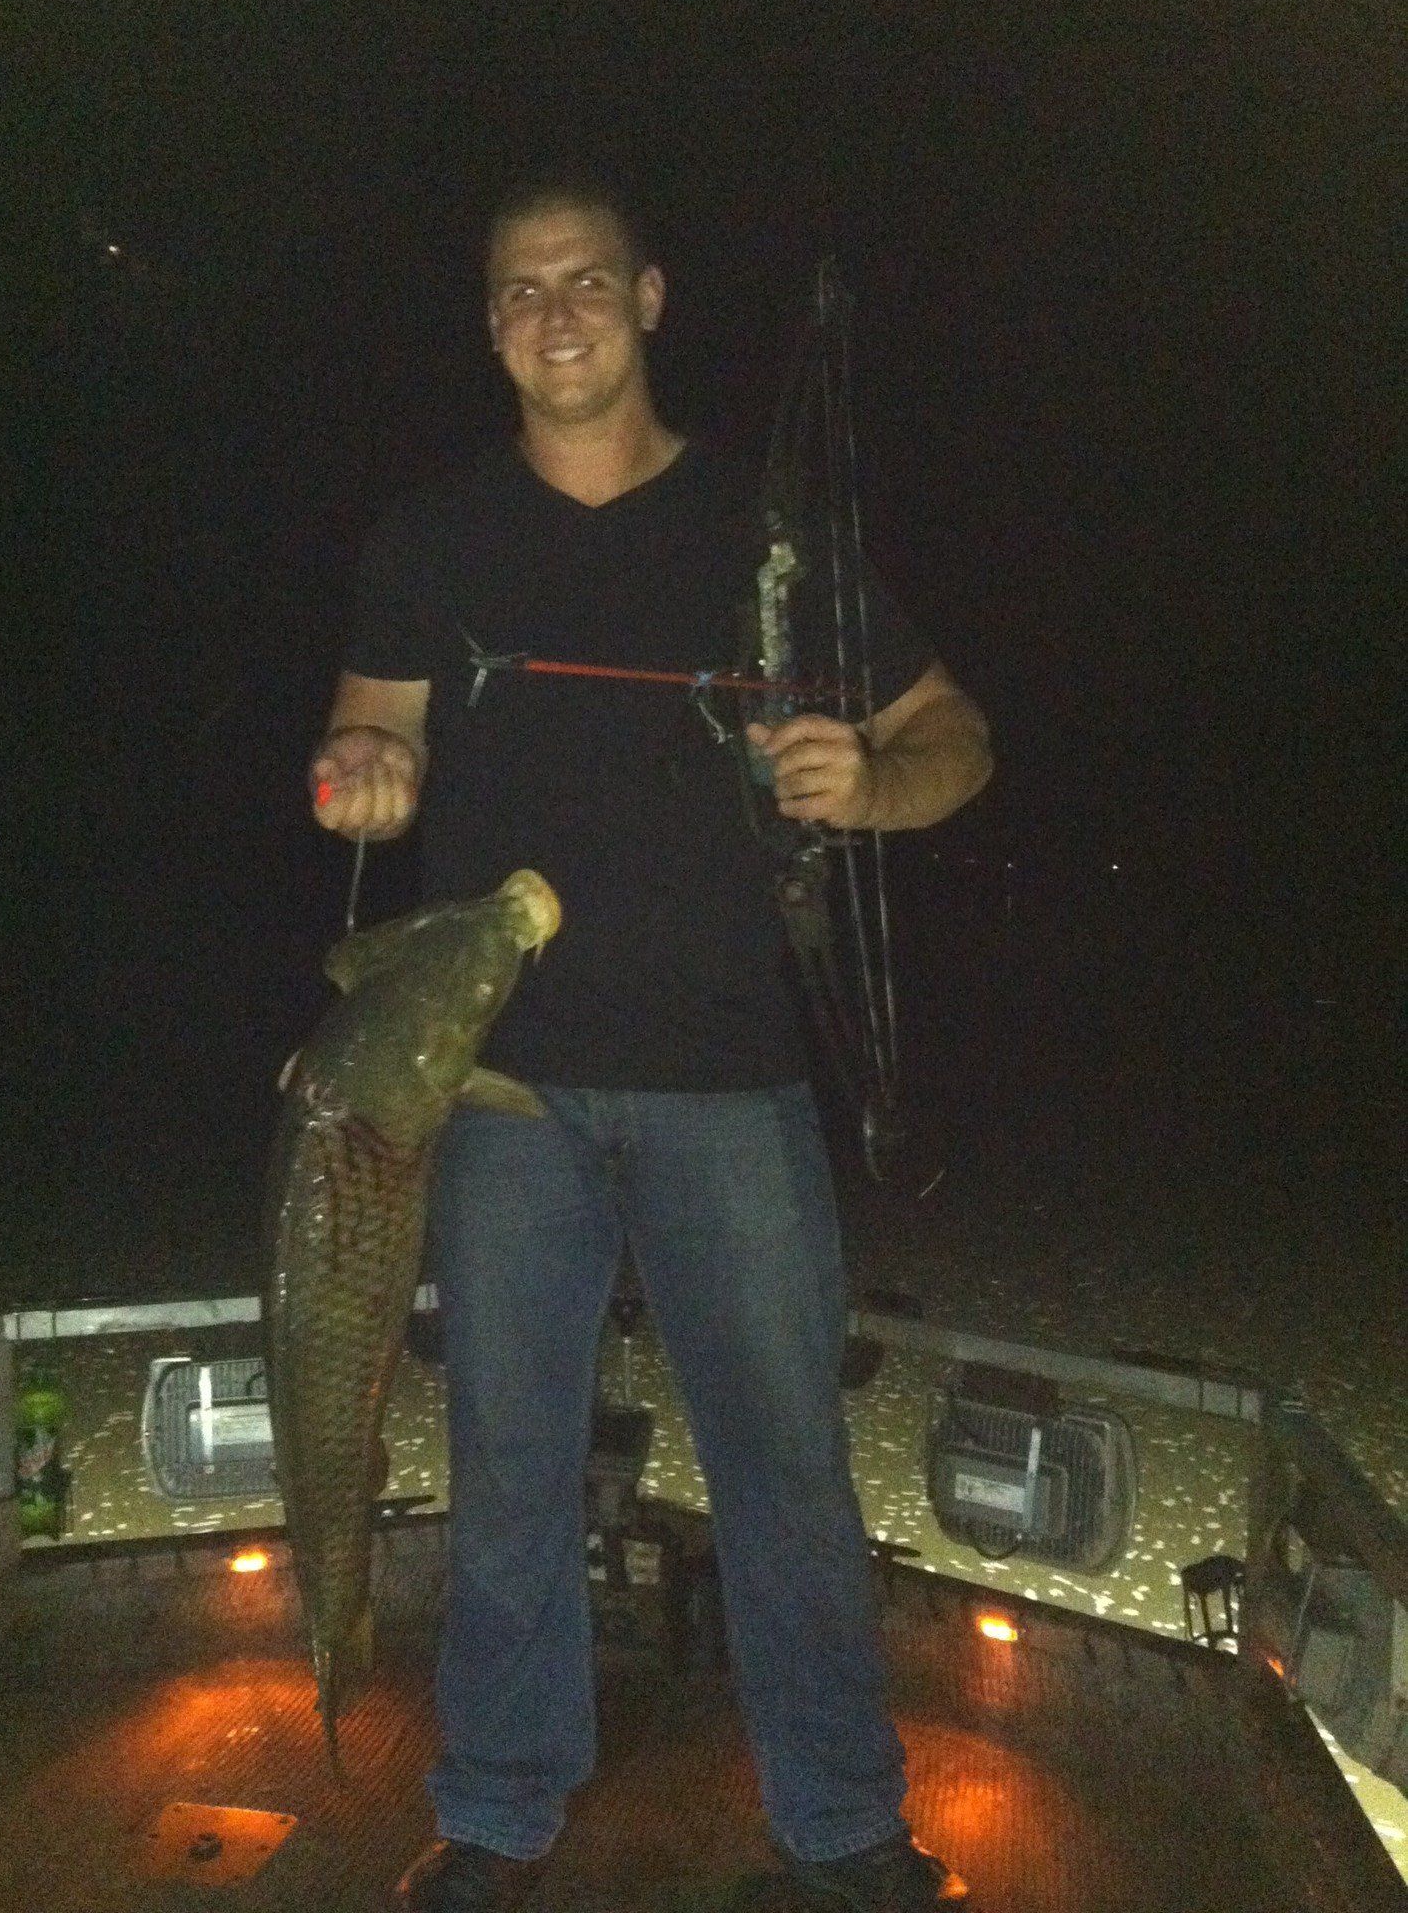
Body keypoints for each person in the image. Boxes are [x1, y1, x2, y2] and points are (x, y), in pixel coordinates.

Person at [311, 174, 991, 1912]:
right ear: (488, 325)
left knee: (785, 1470)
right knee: (510, 1470)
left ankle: (844, 1830)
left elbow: (952, 734)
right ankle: (493, 1813)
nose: (555, 313)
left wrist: (875, 785)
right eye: (519, 289)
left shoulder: (771, 546)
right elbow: (364, 732)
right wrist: (361, 776)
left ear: (650, 298)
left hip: (730, 1083)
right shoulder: (428, 539)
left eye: (586, 281)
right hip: (499, 1090)